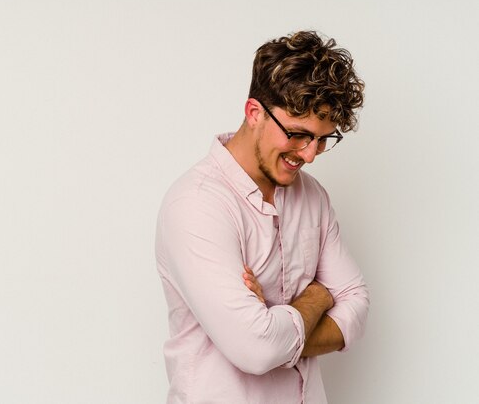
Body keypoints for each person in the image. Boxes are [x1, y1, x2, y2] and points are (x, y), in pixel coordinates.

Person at [155, 31, 370, 403]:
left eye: (322, 139)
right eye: (297, 134)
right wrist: (318, 297)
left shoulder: (312, 195)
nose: (309, 155)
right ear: (254, 112)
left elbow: (356, 304)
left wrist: (275, 324)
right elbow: (256, 349)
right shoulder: (196, 205)